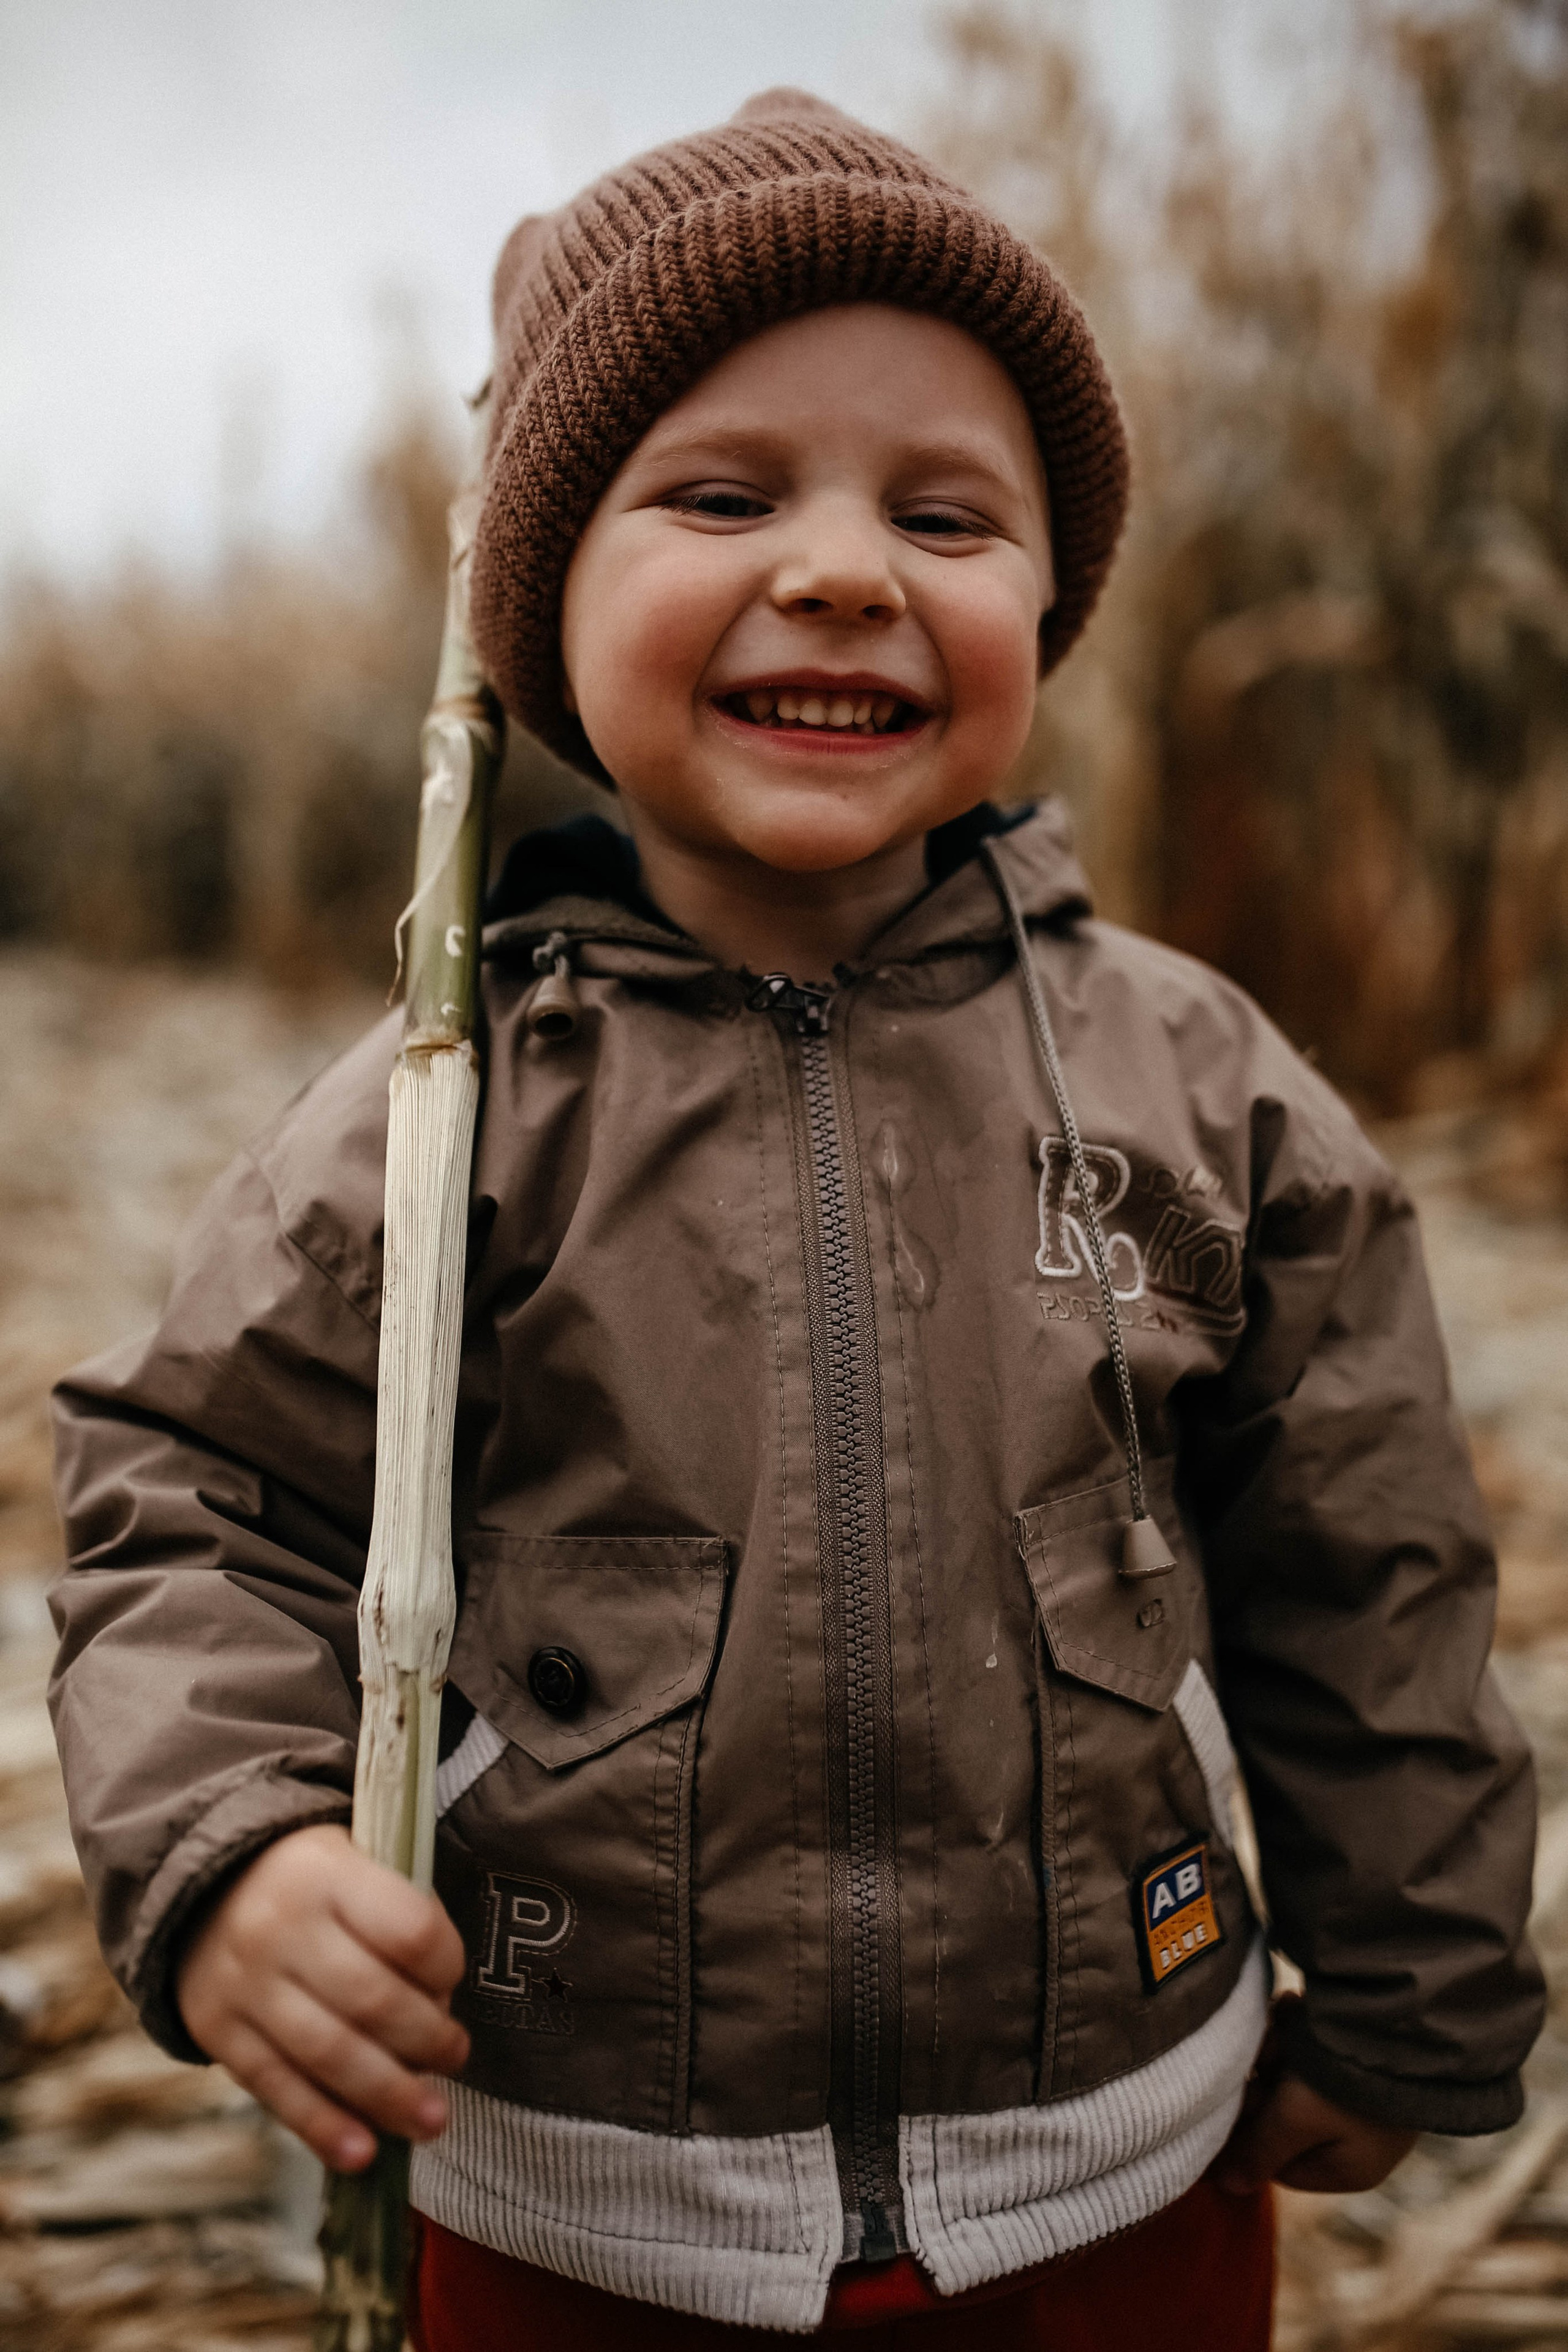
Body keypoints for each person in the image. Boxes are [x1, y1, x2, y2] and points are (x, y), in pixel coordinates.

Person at [50, 90, 1541, 2350]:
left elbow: (1371, 1562)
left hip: (1113, 2172)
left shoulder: (1194, 1089)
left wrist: (1418, 1984)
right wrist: (235, 1852)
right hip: (578, 2209)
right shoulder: (438, 1123)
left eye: (946, 516)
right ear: (546, 606)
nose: (845, 568)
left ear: (1052, 600)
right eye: (724, 496)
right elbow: (191, 1506)